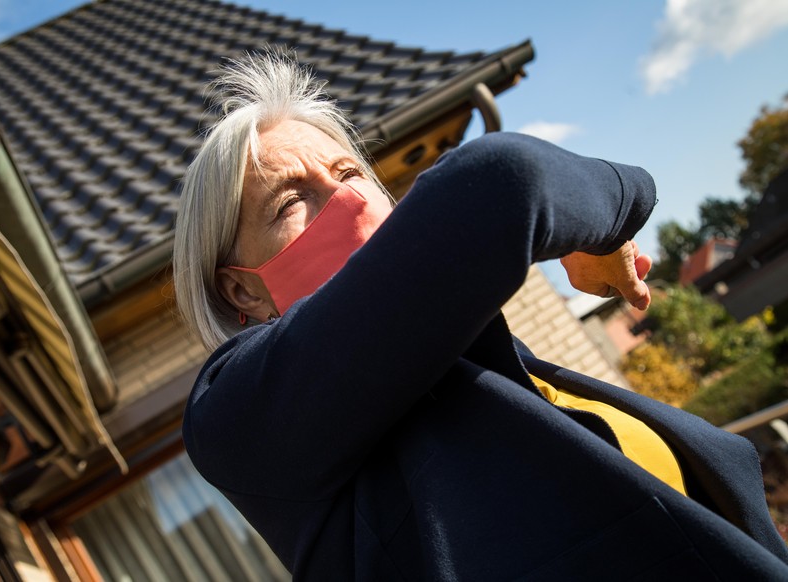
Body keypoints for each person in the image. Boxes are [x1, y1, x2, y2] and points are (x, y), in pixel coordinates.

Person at [174, 52, 788, 581]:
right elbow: (505, 181)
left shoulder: (505, 365)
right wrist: (614, 212)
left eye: (350, 173)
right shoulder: (241, 416)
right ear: (241, 292)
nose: (347, 202)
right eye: (290, 201)